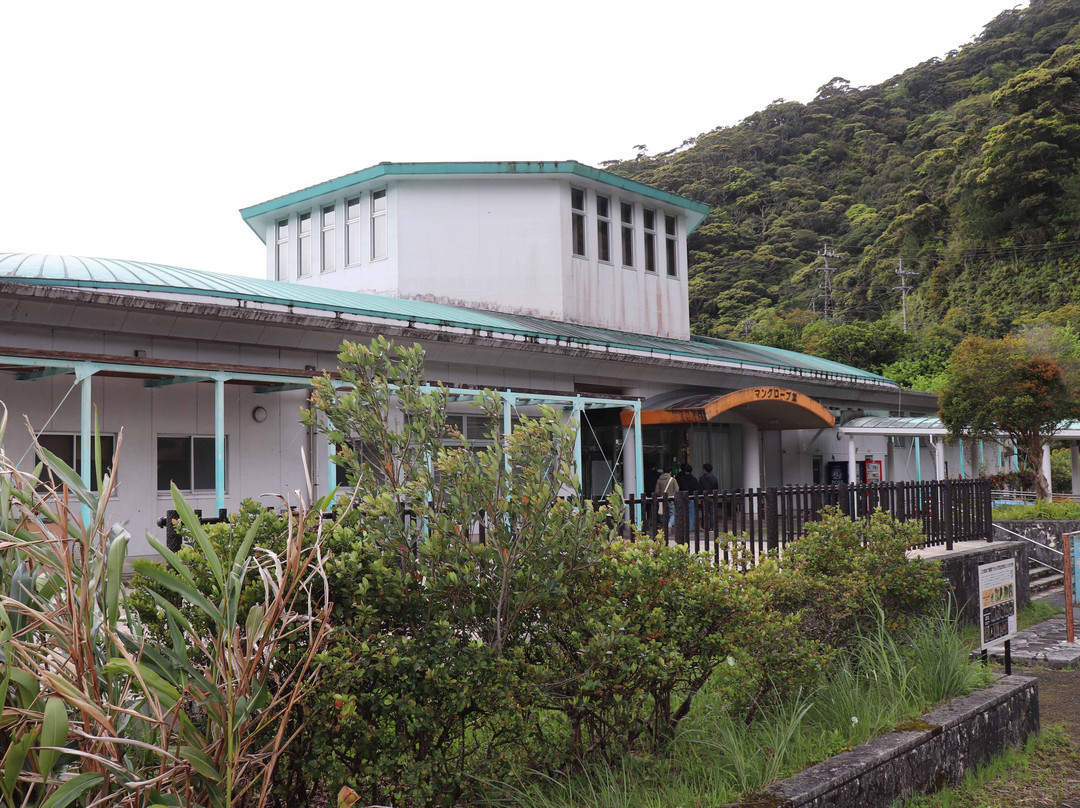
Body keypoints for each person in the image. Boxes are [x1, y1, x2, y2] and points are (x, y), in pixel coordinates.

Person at [655, 468, 679, 536]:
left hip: (662, 500)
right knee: (673, 513)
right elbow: (677, 489)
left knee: (664, 514)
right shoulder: (672, 480)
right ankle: (670, 524)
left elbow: (657, 491)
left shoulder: (659, 480)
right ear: (670, 472)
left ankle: (664, 528)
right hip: (671, 499)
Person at [675, 463, 699, 533]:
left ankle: (682, 527)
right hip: (691, 497)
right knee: (691, 513)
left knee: (682, 513)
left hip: (682, 497)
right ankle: (689, 528)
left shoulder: (681, 479)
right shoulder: (694, 479)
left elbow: (679, 488)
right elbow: (696, 489)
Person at [699, 462, 719, 533]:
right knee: (712, 513)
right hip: (712, 497)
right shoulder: (714, 478)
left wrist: (700, 497)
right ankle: (711, 527)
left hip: (704, 497)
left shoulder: (701, 479)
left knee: (704, 513)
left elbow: (700, 489)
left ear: (704, 470)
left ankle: (704, 526)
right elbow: (716, 487)